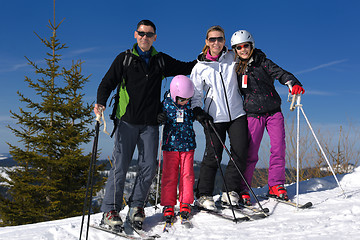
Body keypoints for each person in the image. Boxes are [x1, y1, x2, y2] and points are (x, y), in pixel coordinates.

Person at [94, 19, 196, 230]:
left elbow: (186, 67)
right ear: (135, 35)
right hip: (127, 122)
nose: (145, 37)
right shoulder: (125, 59)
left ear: (155, 37)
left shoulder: (160, 60)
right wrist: (101, 102)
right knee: (120, 166)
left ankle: (136, 207)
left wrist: (203, 59)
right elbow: (107, 83)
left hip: (150, 124)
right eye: (141, 33)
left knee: (148, 166)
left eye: (149, 34)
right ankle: (110, 211)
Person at [230, 30, 305, 201]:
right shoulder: (236, 69)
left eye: (245, 46)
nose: (243, 50)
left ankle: (276, 185)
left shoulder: (263, 62)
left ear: (252, 45)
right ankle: (244, 188)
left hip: (273, 112)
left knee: (278, 148)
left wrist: (292, 83)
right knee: (251, 152)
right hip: (253, 114)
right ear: (235, 50)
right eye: (239, 47)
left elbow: (281, 74)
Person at [190, 25, 248, 210]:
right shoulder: (199, 67)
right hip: (214, 117)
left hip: (237, 113)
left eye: (220, 39)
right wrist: (198, 112)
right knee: (213, 155)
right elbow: (195, 95)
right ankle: (204, 195)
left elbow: (248, 53)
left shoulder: (232, 57)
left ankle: (230, 192)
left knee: (240, 151)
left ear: (225, 41)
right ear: (207, 42)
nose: (216, 43)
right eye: (212, 39)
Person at [157, 75, 196, 222]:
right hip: (170, 146)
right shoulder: (166, 104)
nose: (184, 102)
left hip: (187, 145)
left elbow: (196, 111)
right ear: (174, 94)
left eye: (187, 99)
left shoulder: (190, 103)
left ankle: (185, 202)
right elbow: (157, 114)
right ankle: (168, 204)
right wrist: (159, 116)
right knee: (169, 176)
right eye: (181, 99)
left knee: (187, 175)